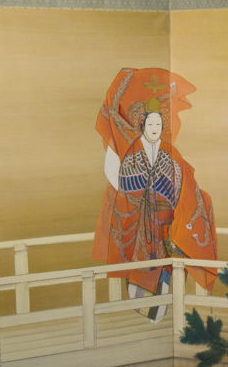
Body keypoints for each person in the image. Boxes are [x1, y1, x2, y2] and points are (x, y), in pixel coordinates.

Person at [92, 68, 217, 322]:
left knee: (165, 269)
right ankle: (144, 312)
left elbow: (185, 183)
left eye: (158, 125)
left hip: (165, 223)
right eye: (150, 124)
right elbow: (123, 182)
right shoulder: (133, 151)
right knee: (139, 268)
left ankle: (159, 314)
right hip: (140, 222)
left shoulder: (171, 154)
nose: (154, 128)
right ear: (143, 126)